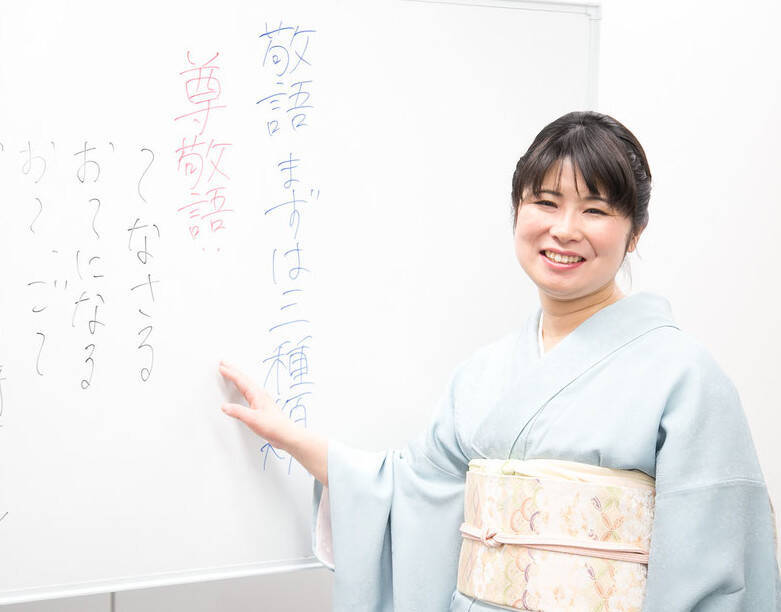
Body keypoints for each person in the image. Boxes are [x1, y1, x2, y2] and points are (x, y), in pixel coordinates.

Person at [218, 111, 781, 611]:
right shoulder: (480, 377)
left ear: (634, 232)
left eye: (595, 209)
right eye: (546, 202)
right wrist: (290, 437)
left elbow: (718, 565)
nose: (564, 229)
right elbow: (407, 492)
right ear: (517, 210)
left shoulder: (686, 377)